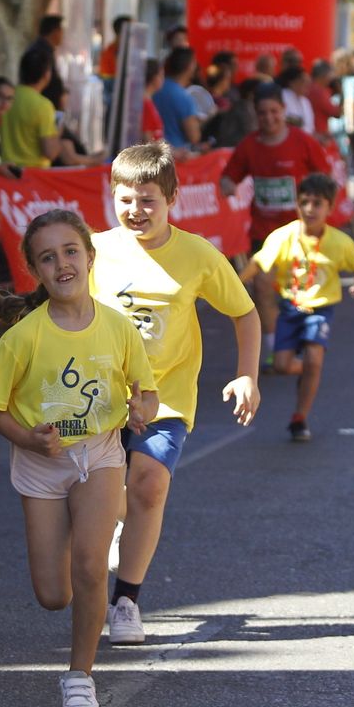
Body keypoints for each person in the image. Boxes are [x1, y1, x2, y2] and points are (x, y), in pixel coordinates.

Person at [0, 210, 157, 707]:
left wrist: (141, 410)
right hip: (42, 465)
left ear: (90, 257)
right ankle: (88, 554)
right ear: (35, 271)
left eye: (71, 251)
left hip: (99, 453)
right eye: (48, 257)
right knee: (53, 594)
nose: (62, 264)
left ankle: (80, 676)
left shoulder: (119, 328)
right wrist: (25, 438)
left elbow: (146, 392)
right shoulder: (23, 338)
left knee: (89, 569)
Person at [92, 144, 260, 645]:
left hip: (165, 397)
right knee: (103, 499)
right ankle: (116, 523)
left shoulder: (198, 255)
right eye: (126, 199)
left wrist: (246, 374)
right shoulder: (95, 248)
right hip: (98, 398)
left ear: (172, 199)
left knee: (148, 485)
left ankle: (126, 602)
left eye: (148, 200)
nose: (136, 211)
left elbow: (244, 313)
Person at [239, 174, 354, 441]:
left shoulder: (339, 242)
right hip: (290, 309)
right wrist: (233, 287)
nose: (310, 209)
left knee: (314, 358)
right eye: (304, 202)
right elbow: (258, 262)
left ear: (330, 208)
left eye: (317, 203)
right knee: (282, 366)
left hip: (320, 311)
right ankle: (310, 369)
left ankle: (299, 417)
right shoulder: (283, 236)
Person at [221, 84, 347, 356]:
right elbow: (230, 175)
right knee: (263, 285)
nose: (269, 118)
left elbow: (325, 179)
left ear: (283, 111)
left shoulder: (302, 141)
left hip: (300, 233)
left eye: (274, 112)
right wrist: (228, 184)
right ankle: (271, 346)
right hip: (265, 232)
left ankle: (303, 333)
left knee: (298, 290)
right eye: (263, 113)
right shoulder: (249, 145)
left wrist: (321, 213)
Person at [2, 48, 98, 169]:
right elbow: (50, 152)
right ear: (47, 74)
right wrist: (58, 132)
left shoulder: (7, 97)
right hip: (34, 176)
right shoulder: (43, 106)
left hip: (6, 173)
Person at [153, 48, 203, 151]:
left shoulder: (155, 88)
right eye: (194, 62)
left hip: (152, 152)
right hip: (176, 156)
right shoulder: (184, 98)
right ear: (189, 66)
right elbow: (194, 137)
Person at [32, 15, 66, 110]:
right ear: (55, 31)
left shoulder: (45, 50)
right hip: (42, 106)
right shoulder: (40, 52)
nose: (63, 35)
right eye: (61, 31)